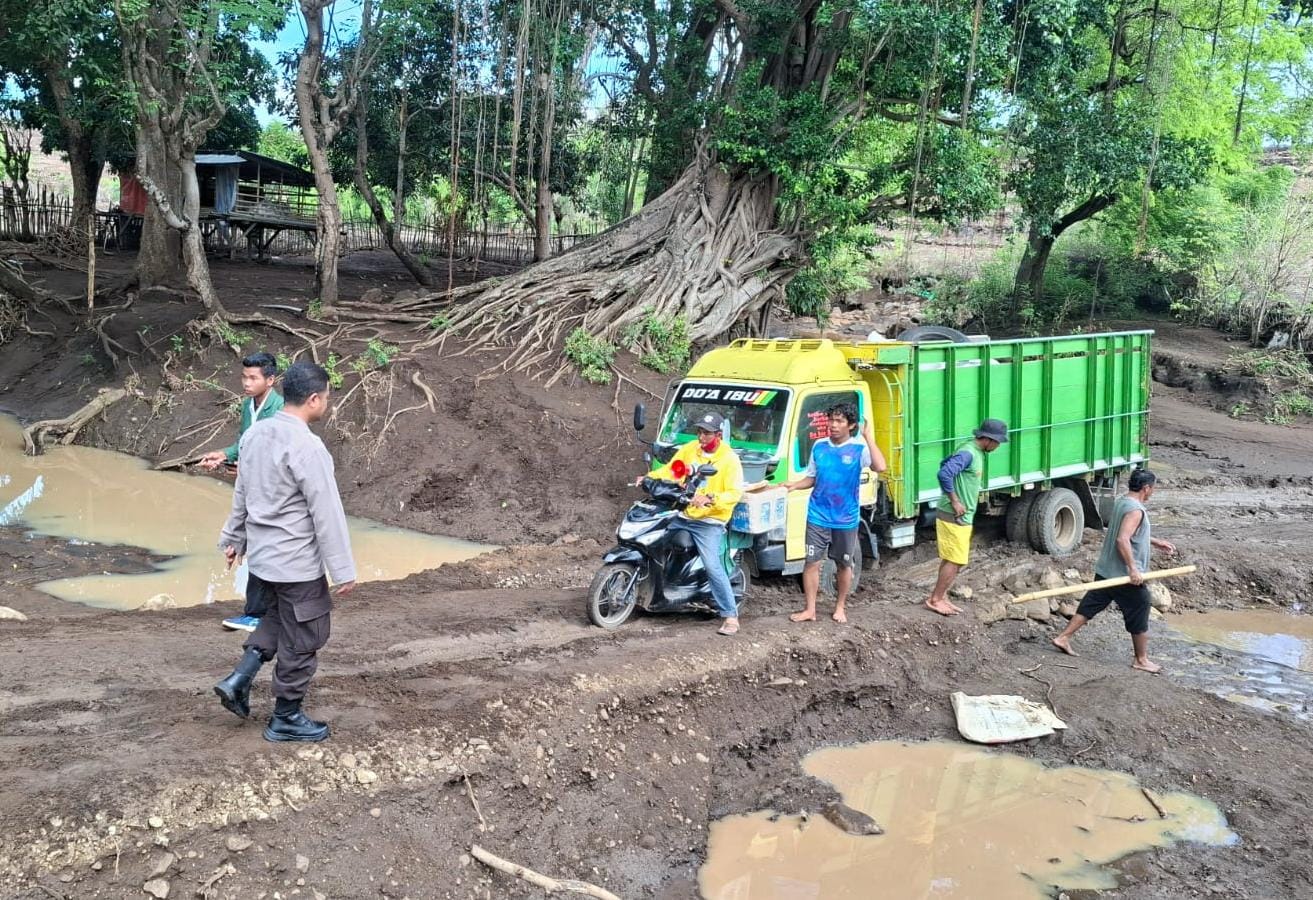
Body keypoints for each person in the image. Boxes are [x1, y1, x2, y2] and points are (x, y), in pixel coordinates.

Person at [213, 361, 356, 743]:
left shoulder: (255, 435)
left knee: (275, 618)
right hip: (296, 564)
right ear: (314, 399)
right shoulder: (308, 447)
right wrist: (343, 569)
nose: (326, 403)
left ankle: (239, 680)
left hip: (263, 560)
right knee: (304, 636)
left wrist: (234, 539)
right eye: (326, 397)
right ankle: (286, 717)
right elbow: (326, 512)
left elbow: (242, 494)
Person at [1052, 469, 1177, 673]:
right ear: (1146, 488)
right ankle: (1141, 659)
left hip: (1107, 568)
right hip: (1124, 576)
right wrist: (1133, 569)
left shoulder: (1122, 501)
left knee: (1091, 603)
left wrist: (1155, 542)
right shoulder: (1136, 510)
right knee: (1140, 608)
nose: (1153, 491)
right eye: (1153, 488)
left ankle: (1063, 637)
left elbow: (1128, 532)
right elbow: (1122, 539)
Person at [199, 352, 284, 633]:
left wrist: (247, 468)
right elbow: (244, 443)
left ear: (270, 380)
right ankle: (264, 613)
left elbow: (277, 455)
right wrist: (225, 455)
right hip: (252, 489)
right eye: (244, 377)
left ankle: (257, 615)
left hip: (271, 492)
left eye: (253, 378)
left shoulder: (279, 410)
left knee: (262, 547)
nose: (246, 383)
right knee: (255, 544)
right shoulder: (248, 406)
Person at [642, 412, 745, 635]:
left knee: (712, 566)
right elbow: (673, 470)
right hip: (683, 513)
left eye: (707, 433)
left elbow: (734, 493)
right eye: (699, 432)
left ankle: (730, 616)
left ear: (718, 435)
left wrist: (711, 499)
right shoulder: (690, 449)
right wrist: (650, 478)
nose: (701, 437)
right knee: (650, 536)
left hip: (710, 520)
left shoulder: (729, 460)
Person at [783, 404, 886, 624]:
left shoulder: (859, 449)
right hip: (817, 515)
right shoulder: (819, 446)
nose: (833, 425)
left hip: (845, 519)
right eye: (831, 420)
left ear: (851, 425)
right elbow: (812, 478)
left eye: (839, 421)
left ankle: (840, 607)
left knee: (843, 564)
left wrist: (868, 437)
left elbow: (880, 466)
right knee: (811, 562)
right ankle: (810, 609)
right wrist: (794, 485)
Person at [925, 418, 1008, 617]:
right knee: (956, 559)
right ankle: (935, 599)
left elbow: (945, 463)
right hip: (954, 514)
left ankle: (942, 596)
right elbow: (944, 473)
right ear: (988, 439)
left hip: (961, 514)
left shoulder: (973, 451)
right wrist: (955, 501)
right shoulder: (968, 453)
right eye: (997, 442)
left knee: (955, 558)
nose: (998, 446)